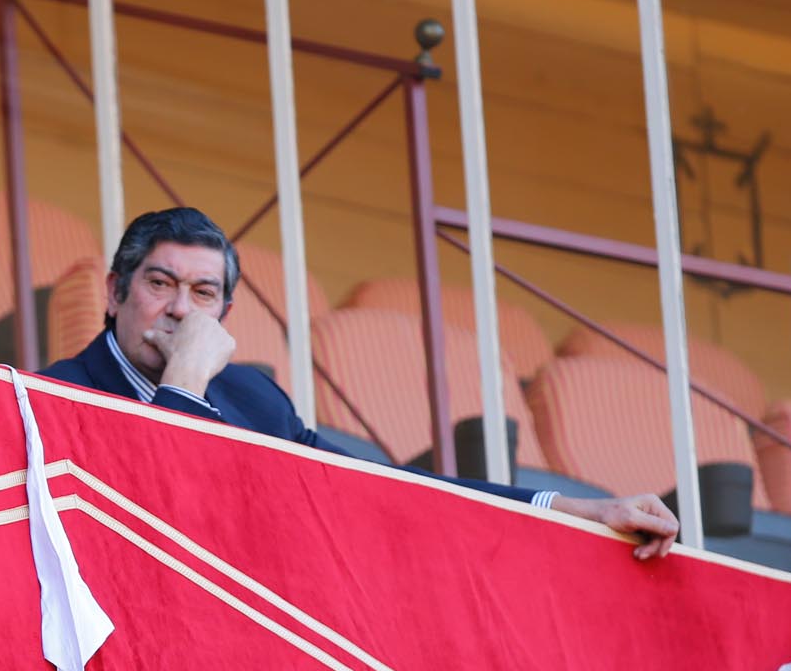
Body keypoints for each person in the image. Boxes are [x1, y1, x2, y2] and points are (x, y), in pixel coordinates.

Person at [41, 207, 680, 558]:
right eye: (160, 284)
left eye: (204, 293)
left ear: (225, 316)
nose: (181, 310)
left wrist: (573, 508)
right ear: (115, 292)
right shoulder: (57, 396)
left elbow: (387, 489)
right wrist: (183, 381)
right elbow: (156, 519)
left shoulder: (255, 398)